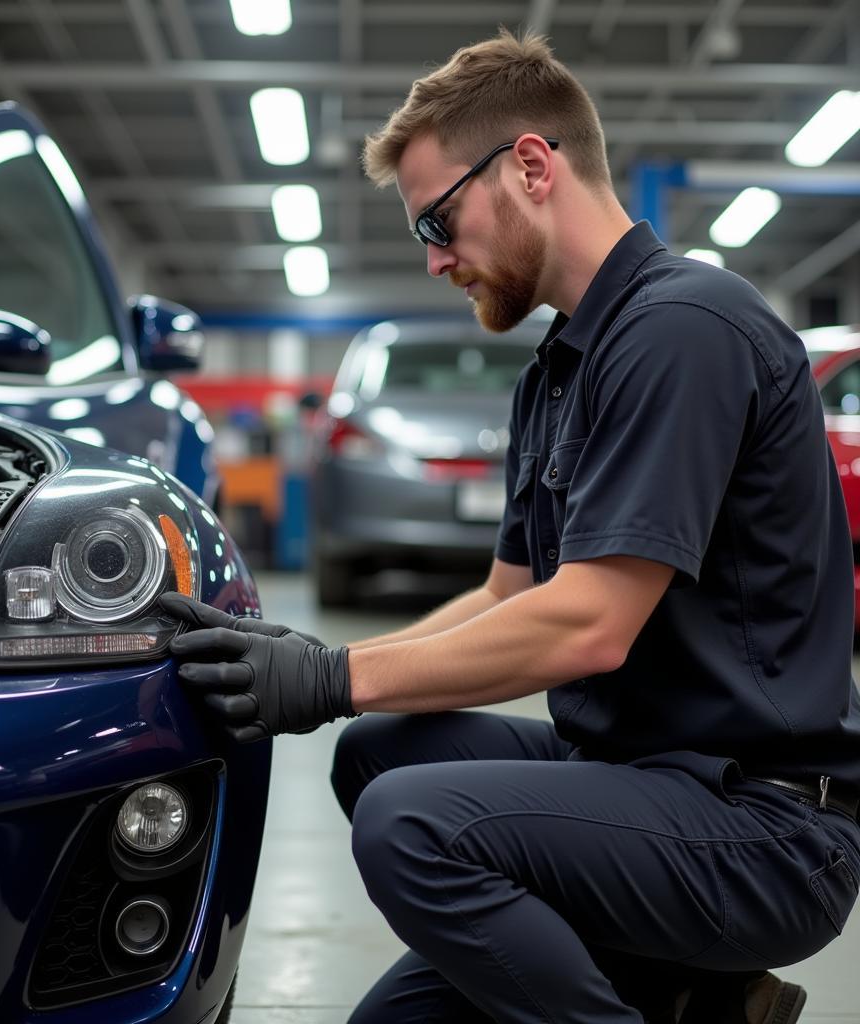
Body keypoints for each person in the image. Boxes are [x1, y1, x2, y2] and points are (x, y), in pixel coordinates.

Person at [160, 29, 860, 1024]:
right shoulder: (556, 373)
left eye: (438, 221)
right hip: (638, 781)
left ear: (531, 165)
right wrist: (325, 658)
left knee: (410, 824)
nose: (438, 259)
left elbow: (587, 624)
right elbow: (508, 597)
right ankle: (686, 995)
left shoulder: (683, 329)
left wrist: (331, 679)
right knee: (379, 757)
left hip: (762, 826)